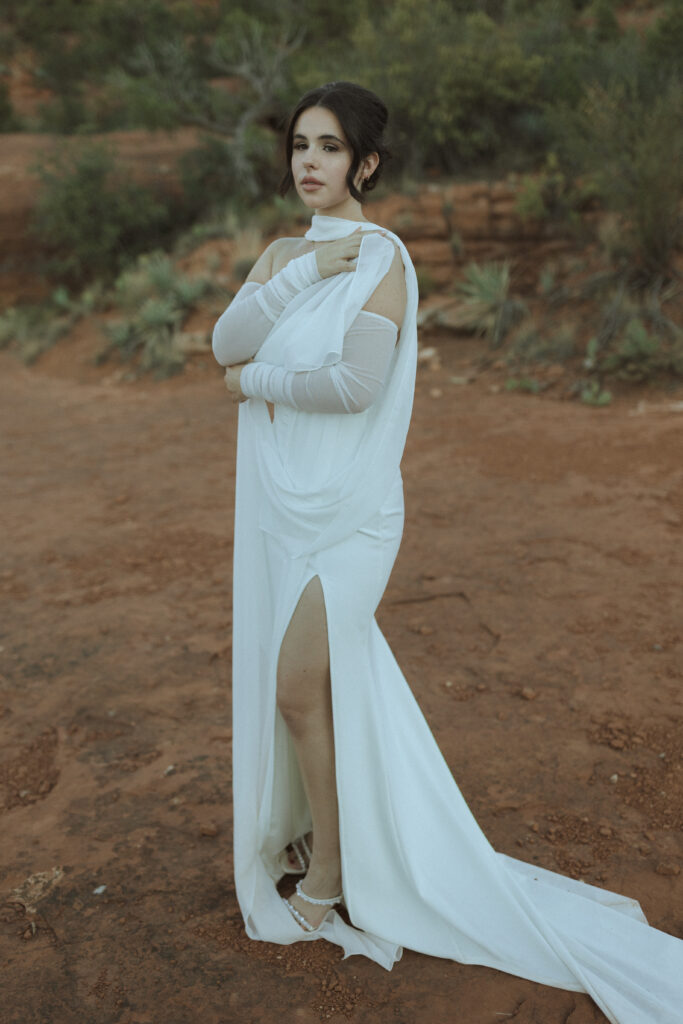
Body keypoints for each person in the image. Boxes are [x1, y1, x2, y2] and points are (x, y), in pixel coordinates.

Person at [212, 82, 683, 1024]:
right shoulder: (282, 253)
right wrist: (301, 277)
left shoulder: (382, 256)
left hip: (349, 517)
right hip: (283, 510)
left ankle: (338, 865)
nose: (309, 163)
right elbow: (222, 336)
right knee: (309, 687)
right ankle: (324, 835)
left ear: (366, 164)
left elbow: (354, 383)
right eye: (300, 145)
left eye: (331, 148)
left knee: (300, 686)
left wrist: (251, 380)